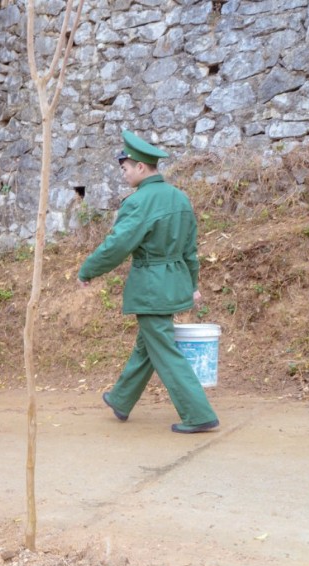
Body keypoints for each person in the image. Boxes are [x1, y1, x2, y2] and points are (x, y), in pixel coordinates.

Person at [77, 130, 219, 434]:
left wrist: (88, 270)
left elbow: (117, 245)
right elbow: (190, 251)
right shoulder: (180, 198)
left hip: (152, 287)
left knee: (164, 350)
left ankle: (198, 414)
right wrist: (191, 284)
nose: (125, 174)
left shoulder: (139, 201)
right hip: (174, 282)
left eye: (125, 168)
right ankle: (121, 398)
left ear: (141, 166)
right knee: (149, 344)